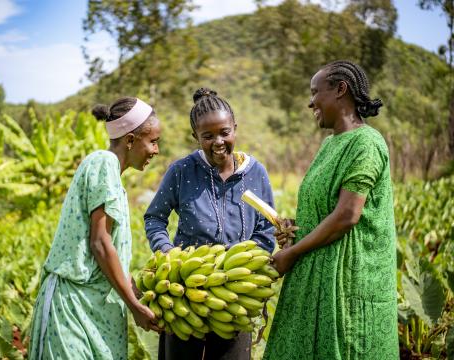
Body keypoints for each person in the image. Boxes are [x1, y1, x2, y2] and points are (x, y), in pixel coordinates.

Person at [263, 61, 399, 359]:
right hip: (313, 276)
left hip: (347, 281)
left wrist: (292, 254)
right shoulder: (329, 145)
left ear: (341, 89)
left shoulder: (366, 143)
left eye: (315, 92)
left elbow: (347, 216)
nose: (310, 101)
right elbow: (325, 208)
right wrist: (295, 230)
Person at [144, 87, 276, 359]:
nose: (218, 142)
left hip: (236, 294)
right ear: (196, 137)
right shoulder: (181, 171)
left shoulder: (255, 173)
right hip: (186, 292)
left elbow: (267, 228)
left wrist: (249, 264)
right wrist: (166, 250)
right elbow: (155, 217)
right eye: (208, 136)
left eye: (225, 133)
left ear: (235, 129)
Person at [29, 96, 162, 360]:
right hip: (73, 305)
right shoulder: (103, 162)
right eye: (153, 141)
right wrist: (134, 306)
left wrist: (140, 293)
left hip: (95, 307)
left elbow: (112, 254)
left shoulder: (114, 178)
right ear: (131, 140)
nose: (156, 150)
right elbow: (100, 243)